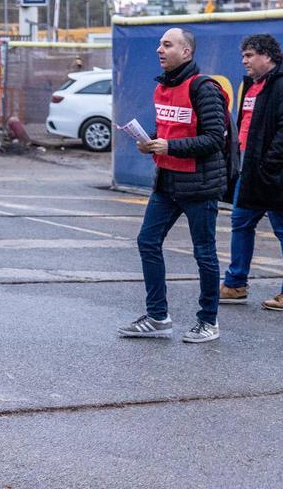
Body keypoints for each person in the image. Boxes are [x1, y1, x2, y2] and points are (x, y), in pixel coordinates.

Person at [118, 27, 229, 344]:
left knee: (204, 254)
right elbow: (170, 128)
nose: (159, 50)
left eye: (167, 45)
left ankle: (208, 321)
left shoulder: (204, 88)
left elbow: (213, 139)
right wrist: (150, 141)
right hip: (167, 181)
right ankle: (157, 317)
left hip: (199, 184)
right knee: (147, 242)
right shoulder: (162, 88)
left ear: (187, 52)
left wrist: (170, 147)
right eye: (159, 44)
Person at [221, 34, 283, 311]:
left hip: (277, 175)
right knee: (240, 223)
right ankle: (235, 284)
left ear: (268, 56)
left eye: (249, 55)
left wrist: (267, 164)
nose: (244, 61)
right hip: (250, 173)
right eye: (243, 56)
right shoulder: (252, 86)